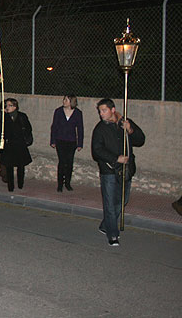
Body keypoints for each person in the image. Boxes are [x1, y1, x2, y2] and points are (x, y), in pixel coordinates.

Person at [91, 98, 145, 247]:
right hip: (108, 170)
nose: (101, 114)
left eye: (104, 110)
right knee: (109, 203)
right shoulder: (100, 129)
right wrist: (116, 158)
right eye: (100, 111)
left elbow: (141, 140)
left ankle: (105, 225)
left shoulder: (125, 123)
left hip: (126, 169)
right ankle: (112, 235)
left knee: (122, 201)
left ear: (112, 110)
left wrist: (131, 130)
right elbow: (97, 150)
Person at [50, 95, 84, 192]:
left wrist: (80, 143)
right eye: (64, 99)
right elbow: (54, 127)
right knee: (62, 162)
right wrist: (53, 140)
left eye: (66, 100)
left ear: (71, 101)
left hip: (71, 141)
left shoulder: (78, 113)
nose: (64, 101)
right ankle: (60, 184)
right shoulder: (58, 111)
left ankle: (68, 183)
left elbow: (80, 129)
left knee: (69, 162)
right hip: (60, 140)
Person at [0, 98, 33, 192]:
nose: (7, 107)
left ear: (14, 106)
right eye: (6, 105)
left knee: (20, 166)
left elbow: (28, 128)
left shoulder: (22, 116)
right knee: (9, 167)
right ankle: (10, 186)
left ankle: (20, 184)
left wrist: (25, 139)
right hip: (9, 145)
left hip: (20, 145)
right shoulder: (4, 117)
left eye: (9, 105)